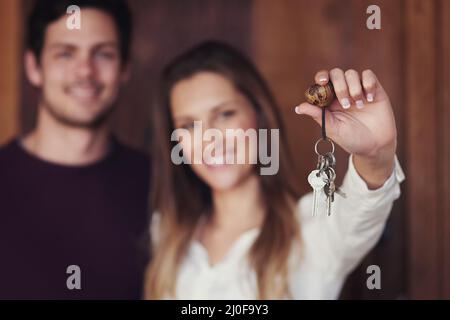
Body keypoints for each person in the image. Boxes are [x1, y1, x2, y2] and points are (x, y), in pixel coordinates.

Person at [144, 41, 405, 299]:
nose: (209, 140)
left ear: (258, 115)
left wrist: (374, 156)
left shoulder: (313, 232)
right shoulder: (168, 233)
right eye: (189, 126)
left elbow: (362, 210)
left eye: (225, 114)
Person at [0, 0, 150, 299]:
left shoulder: (161, 185)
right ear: (34, 67)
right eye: (65, 53)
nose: (85, 71)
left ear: (124, 69)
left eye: (103, 54)